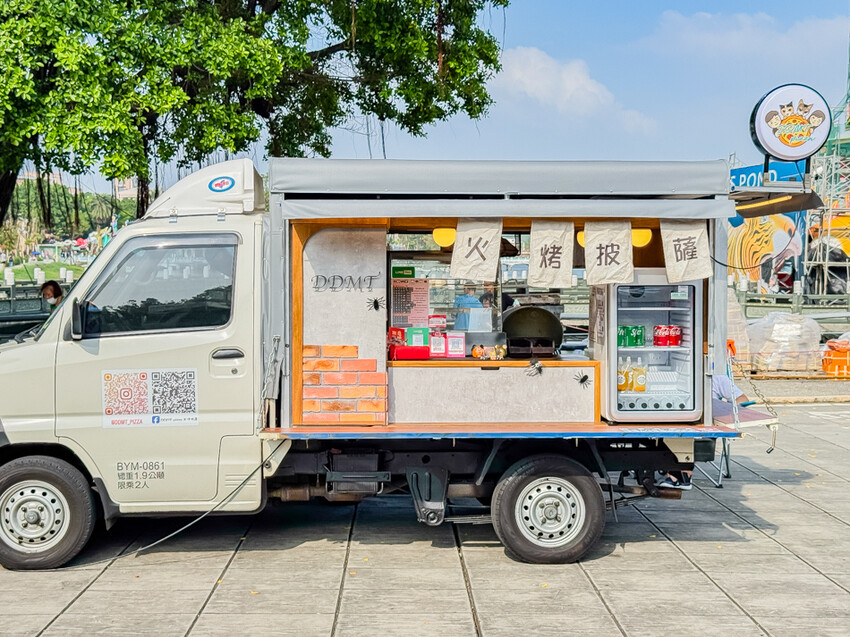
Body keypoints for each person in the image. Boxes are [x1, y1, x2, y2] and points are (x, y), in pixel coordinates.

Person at [656, 374, 750, 490]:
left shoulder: (717, 377)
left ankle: (681, 475)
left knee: (685, 431)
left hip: (703, 423)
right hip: (674, 417)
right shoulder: (674, 375)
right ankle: (676, 473)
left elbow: (742, 399)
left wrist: (723, 410)